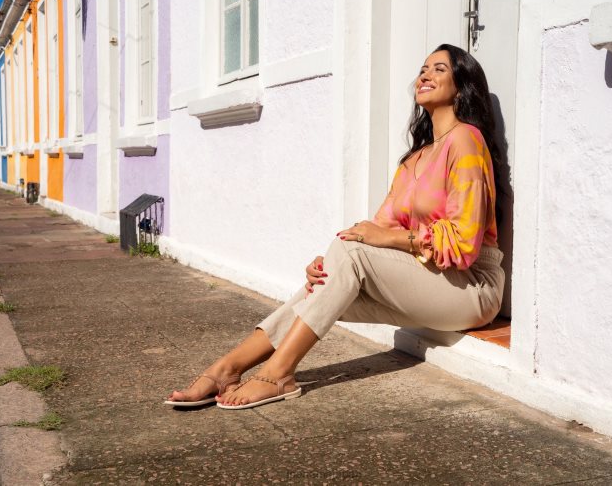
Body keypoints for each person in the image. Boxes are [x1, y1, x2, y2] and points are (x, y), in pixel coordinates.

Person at [166, 44, 505, 410]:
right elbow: (374, 231)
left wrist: (383, 240)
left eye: (439, 69)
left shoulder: (467, 140)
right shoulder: (414, 159)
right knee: (328, 278)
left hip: (471, 286)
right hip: (430, 280)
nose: (425, 75)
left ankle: (279, 373)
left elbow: (464, 243)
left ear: (461, 85)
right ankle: (228, 368)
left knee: (348, 257)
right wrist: (331, 262)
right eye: (423, 68)